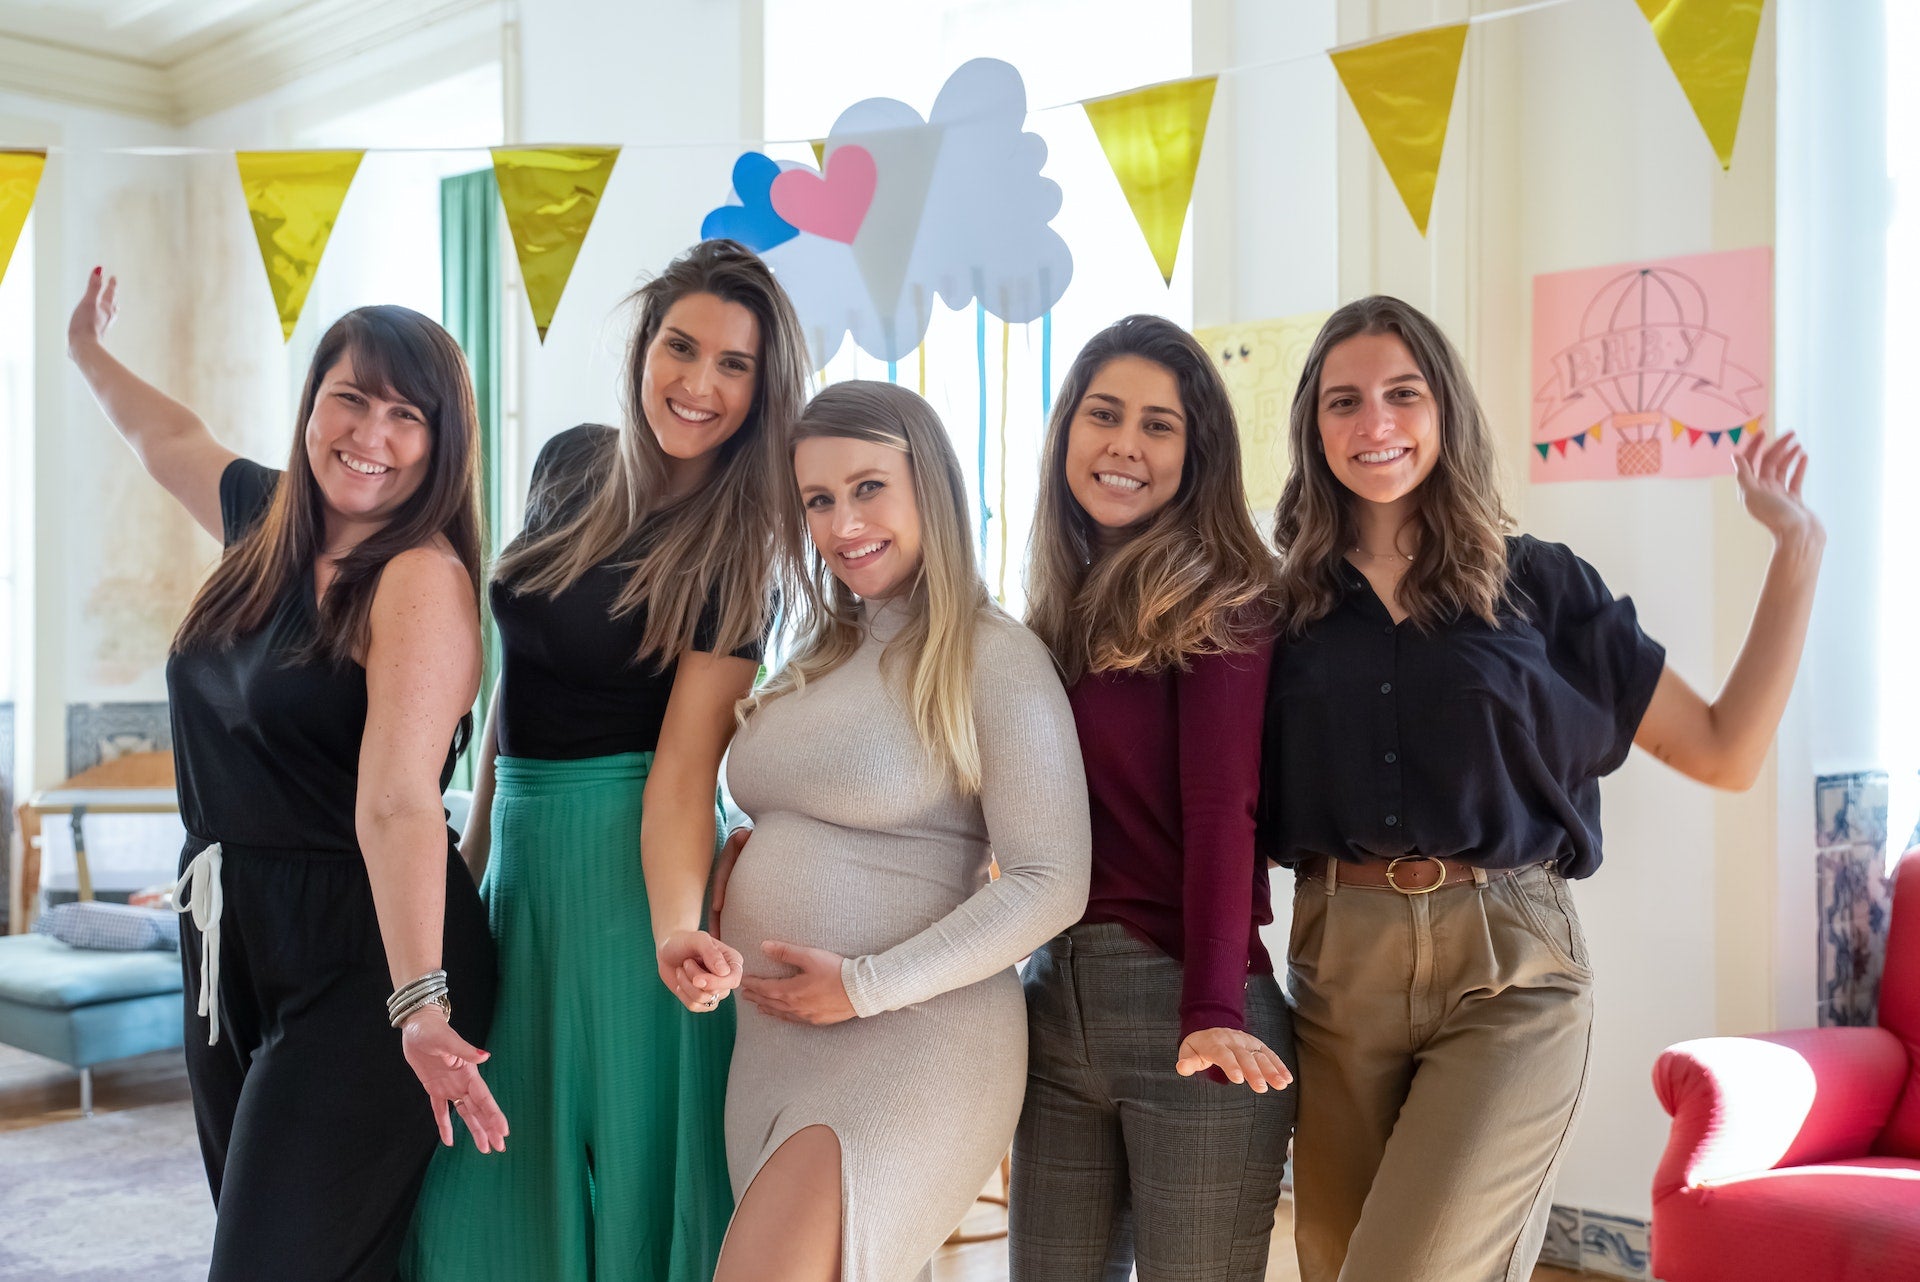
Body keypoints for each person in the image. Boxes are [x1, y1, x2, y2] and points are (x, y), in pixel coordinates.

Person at [1260, 295, 1823, 1282]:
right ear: (1314, 428)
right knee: (1337, 1262)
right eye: (1344, 402)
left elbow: (1727, 750)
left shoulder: (1542, 587)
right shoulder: (1276, 612)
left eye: (1403, 393)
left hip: (1511, 971)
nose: (1375, 424)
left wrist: (1798, 552)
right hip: (1338, 970)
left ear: (1447, 413)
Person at [67, 268, 503, 1281]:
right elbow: (161, 436)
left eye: (407, 414)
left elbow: (397, 803)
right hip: (231, 932)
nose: (372, 432)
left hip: (372, 950)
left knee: (269, 1262)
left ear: (440, 445)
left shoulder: (416, 578)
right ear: (312, 404)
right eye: (350, 396)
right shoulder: (261, 520)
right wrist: (86, 349)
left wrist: (422, 1004)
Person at [402, 238, 810, 1282]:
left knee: (633, 1165)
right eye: (682, 346)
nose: (700, 382)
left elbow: (685, 773)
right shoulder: (571, 462)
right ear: (645, 343)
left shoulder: (741, 547)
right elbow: (511, 691)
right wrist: (469, 868)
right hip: (521, 858)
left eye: (735, 365)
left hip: (635, 862)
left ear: (763, 391)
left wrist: (677, 927)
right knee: (490, 1159)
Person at [709, 380, 1091, 1282]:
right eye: (819, 500)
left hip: (914, 1038)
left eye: (869, 487)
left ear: (932, 488)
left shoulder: (993, 655)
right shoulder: (817, 656)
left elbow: (1052, 880)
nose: (844, 524)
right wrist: (738, 850)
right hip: (775, 1047)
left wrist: (869, 987)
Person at [1008, 314, 1297, 1282]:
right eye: (1104, 414)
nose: (1125, 443)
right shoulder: (1053, 614)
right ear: (1067, 435)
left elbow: (1226, 812)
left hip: (1191, 998)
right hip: (1055, 997)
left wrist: (1212, 1005)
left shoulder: (1223, 595)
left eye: (1159, 425)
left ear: (1195, 453)